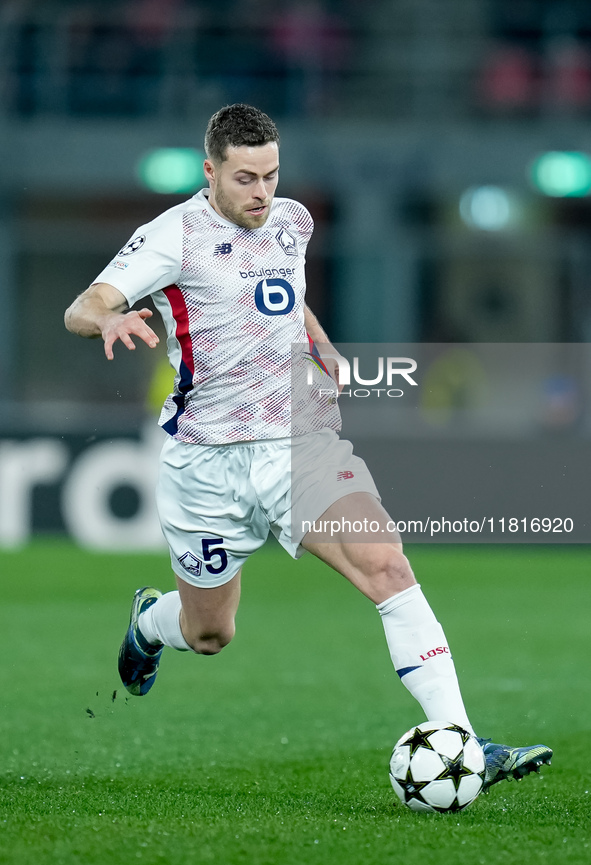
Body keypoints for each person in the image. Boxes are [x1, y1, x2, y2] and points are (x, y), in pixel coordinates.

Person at [64, 103, 552, 789]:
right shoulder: (171, 235)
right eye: (243, 178)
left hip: (298, 443)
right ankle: (151, 622)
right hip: (205, 462)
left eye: (270, 174)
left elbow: (283, 296)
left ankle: (464, 740)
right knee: (210, 633)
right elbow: (81, 305)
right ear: (210, 172)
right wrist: (108, 317)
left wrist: (320, 343)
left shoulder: (293, 221)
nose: (260, 192)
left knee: (385, 564)